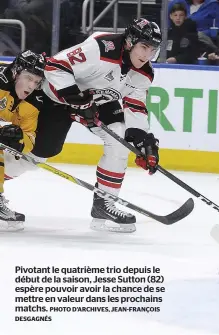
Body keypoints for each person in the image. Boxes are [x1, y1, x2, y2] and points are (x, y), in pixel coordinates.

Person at [5, 18, 162, 234]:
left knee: (119, 135)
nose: (146, 55)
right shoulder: (101, 47)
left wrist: (143, 141)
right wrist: (75, 98)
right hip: (56, 98)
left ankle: (104, 204)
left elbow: (135, 107)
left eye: (152, 50)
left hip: (96, 101)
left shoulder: (144, 73)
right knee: (38, 152)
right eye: (143, 47)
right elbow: (55, 66)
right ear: (130, 42)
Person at [0, 50, 46, 231]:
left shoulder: (34, 102)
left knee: (34, 161)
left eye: (36, 81)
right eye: (28, 78)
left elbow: (30, 138)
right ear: (15, 72)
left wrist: (19, 139)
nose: (31, 85)